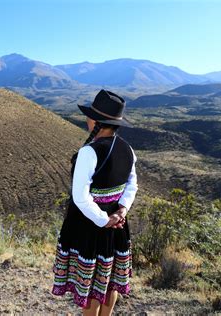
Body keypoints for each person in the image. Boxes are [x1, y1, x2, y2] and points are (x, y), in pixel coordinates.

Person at [51, 89, 138, 316]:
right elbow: (132, 185)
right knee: (108, 281)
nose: (87, 119)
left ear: (96, 121)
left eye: (90, 116)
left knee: (90, 288)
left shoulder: (89, 152)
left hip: (91, 226)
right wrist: (121, 211)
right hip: (117, 226)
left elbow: (80, 196)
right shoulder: (128, 149)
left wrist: (103, 220)